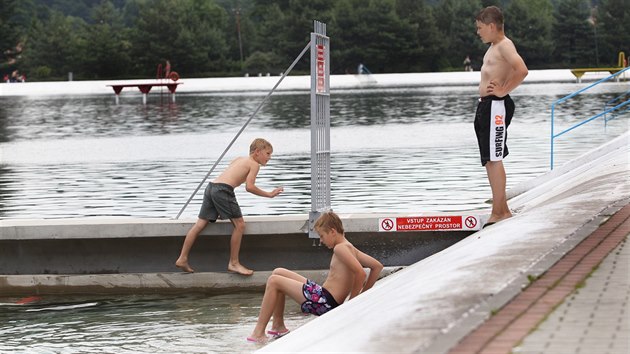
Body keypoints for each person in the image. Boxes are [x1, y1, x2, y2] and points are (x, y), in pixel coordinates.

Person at [247, 211, 383, 343]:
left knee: (274, 281)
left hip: (325, 302)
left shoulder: (340, 248)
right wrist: (363, 295)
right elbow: (377, 267)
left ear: (333, 231)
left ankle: (258, 332)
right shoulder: (349, 247)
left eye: (322, 236)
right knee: (278, 272)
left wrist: (353, 302)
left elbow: (361, 273)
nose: (321, 240)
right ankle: (278, 326)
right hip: (322, 295)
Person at [175, 138, 284, 275]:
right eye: (268, 153)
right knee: (240, 225)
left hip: (211, 187)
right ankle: (234, 263)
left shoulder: (239, 159)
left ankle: (182, 258)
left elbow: (229, 175)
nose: (270, 157)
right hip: (222, 190)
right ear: (257, 152)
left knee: (200, 224)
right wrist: (269, 194)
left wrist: (221, 209)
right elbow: (249, 187)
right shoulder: (254, 165)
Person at [474, 6, 528, 227]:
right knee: (489, 159)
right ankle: (501, 208)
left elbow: (522, 70)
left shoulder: (504, 45)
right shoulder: (494, 47)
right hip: (488, 107)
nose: (478, 32)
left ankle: (499, 212)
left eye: (479, 28)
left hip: (496, 106)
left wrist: (503, 91)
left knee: (495, 159)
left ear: (491, 26)